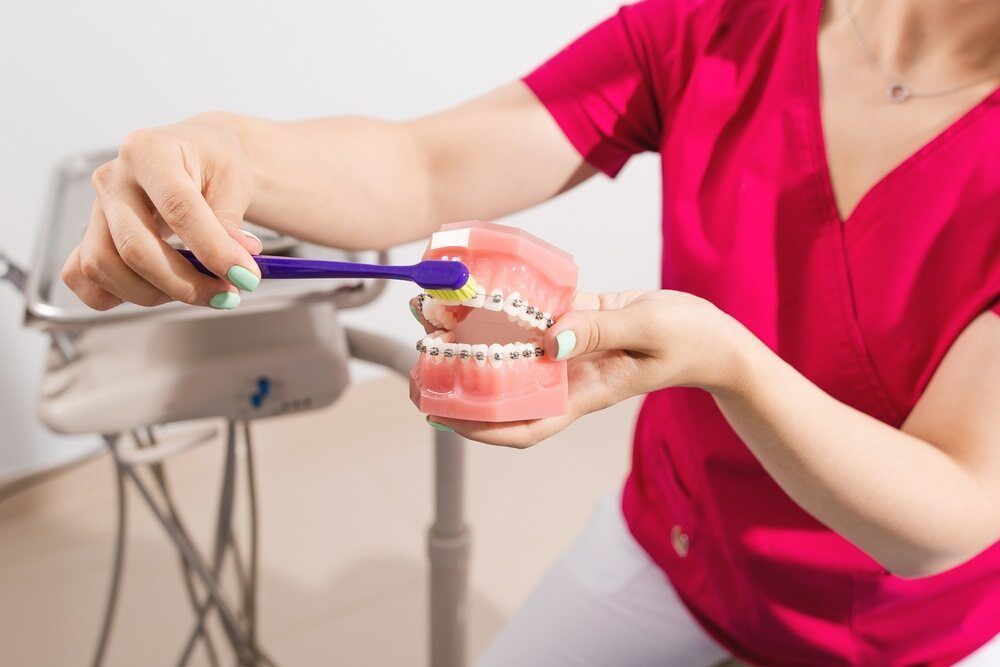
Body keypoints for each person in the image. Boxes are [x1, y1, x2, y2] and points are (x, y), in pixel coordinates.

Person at [61, 0, 999, 663]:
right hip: (679, 539)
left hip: (895, 628)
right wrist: (232, 151)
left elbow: (949, 511)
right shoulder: (722, 22)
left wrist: (730, 365)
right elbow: (425, 166)